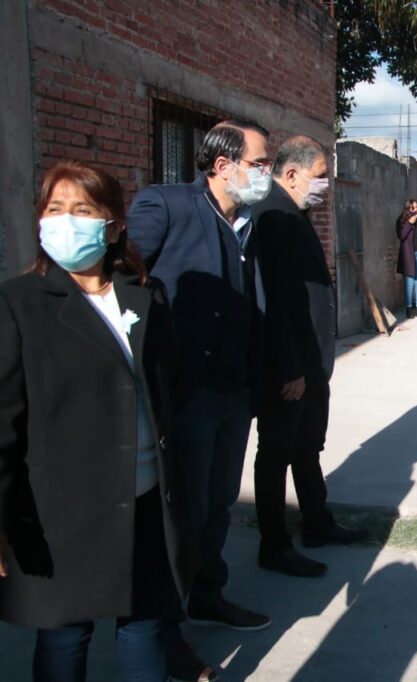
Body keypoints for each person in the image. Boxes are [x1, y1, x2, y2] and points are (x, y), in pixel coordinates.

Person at [0, 161, 196, 681]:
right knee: (66, 635)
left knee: (144, 628)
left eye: (82, 210)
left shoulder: (144, 295)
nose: (66, 221)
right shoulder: (20, 304)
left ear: (112, 226)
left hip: (147, 500)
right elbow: (4, 421)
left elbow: (167, 391)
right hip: (63, 512)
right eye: (54, 209)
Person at [128, 120, 272, 677]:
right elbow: (124, 274)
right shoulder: (166, 205)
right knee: (179, 514)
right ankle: (165, 636)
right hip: (186, 392)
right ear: (222, 166)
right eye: (259, 164)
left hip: (233, 390)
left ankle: (208, 595)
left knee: (216, 504)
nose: (264, 173)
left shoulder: (247, 223)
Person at [251, 135, 367, 578]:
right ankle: (274, 543)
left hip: (311, 363)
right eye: (321, 177)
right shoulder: (274, 216)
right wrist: (291, 368)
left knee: (306, 447)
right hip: (292, 367)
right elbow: (276, 302)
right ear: (293, 173)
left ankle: (317, 523)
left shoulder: (293, 212)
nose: (325, 187)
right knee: (276, 452)